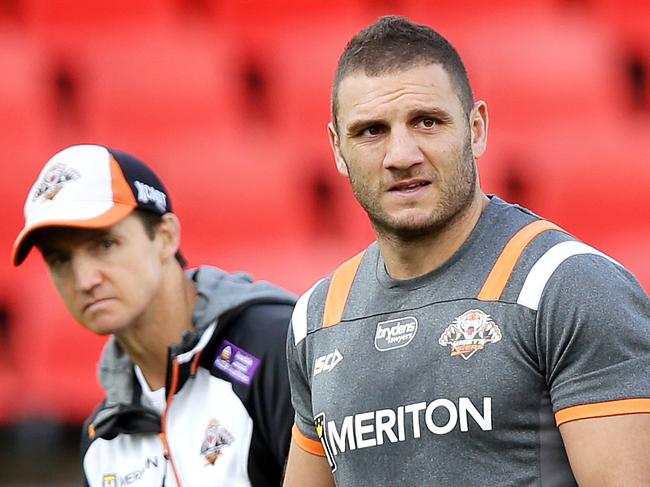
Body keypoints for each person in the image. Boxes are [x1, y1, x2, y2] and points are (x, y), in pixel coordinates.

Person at [283, 16, 650, 487]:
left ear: (476, 129)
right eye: (371, 131)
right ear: (337, 148)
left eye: (427, 122)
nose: (401, 154)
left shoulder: (567, 286)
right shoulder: (316, 319)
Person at [12, 144, 297, 486]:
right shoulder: (103, 439)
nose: (84, 280)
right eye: (60, 260)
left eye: (105, 245)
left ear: (165, 237)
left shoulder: (275, 349)